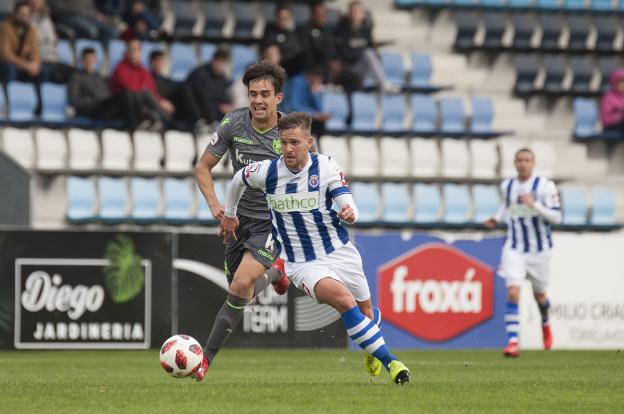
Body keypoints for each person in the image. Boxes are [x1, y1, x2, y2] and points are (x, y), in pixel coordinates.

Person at [220, 112, 411, 385]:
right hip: (302, 263)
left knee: (367, 313)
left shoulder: (326, 166)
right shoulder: (268, 172)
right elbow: (238, 178)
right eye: (284, 142)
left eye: (294, 142)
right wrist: (230, 212)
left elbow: (344, 197)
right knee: (344, 301)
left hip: (340, 251)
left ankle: (370, 347)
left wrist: (350, 212)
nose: (288, 148)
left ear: (309, 142)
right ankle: (392, 362)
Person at [193, 61, 291, 381]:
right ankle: (277, 273)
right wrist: (216, 207)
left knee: (239, 285)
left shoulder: (291, 131)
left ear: (278, 97)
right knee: (241, 293)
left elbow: (309, 176)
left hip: (272, 224)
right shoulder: (233, 123)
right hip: (236, 221)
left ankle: (204, 360)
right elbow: (202, 168)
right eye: (253, 94)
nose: (258, 100)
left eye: (265, 94)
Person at [484, 148, 562, 358]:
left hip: (539, 252)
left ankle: (545, 322)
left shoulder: (545, 186)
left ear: (533, 163)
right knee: (513, 292)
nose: (523, 164)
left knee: (540, 297)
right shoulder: (507, 185)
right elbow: (506, 207)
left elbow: (556, 217)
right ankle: (512, 342)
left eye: (527, 160)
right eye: (519, 160)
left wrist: (534, 204)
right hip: (515, 248)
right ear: (514, 163)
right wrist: (496, 218)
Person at [334, 1, 398, 92]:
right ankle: (383, 84)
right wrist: (360, 52)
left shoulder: (366, 30)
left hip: (364, 68)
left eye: (357, 12)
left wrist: (363, 51)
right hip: (350, 68)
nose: (355, 14)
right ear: (349, 13)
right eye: (353, 12)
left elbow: (371, 48)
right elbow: (344, 54)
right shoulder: (342, 30)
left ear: (362, 14)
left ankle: (383, 84)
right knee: (367, 53)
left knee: (370, 53)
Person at [110, 38, 174, 129]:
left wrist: (161, 101)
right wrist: (158, 102)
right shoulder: (120, 68)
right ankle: (169, 122)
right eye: (132, 49)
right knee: (145, 95)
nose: (134, 53)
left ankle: (160, 122)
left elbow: (152, 91)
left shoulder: (143, 71)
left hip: (143, 106)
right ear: (126, 52)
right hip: (125, 108)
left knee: (153, 105)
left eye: (138, 50)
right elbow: (129, 89)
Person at [185, 49, 234, 131]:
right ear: (213, 61)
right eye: (219, 62)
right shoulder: (199, 74)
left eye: (223, 63)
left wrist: (227, 106)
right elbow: (201, 99)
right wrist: (218, 108)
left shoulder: (222, 78)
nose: (220, 65)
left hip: (215, 114)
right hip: (197, 115)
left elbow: (222, 99)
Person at [0, 1, 47, 84]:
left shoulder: (31, 30)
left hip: (22, 65)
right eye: (21, 14)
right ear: (14, 14)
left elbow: (34, 51)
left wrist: (35, 63)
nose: (23, 17)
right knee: (10, 69)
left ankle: (35, 95)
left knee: (42, 71)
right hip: (6, 64)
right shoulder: (5, 28)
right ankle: (9, 94)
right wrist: (26, 65)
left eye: (26, 15)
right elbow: (5, 54)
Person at [28, 0, 72, 83]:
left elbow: (52, 40)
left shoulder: (46, 18)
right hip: (39, 58)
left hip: (52, 58)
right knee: (45, 72)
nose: (35, 2)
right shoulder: (27, 18)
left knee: (72, 72)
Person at [298, 2, 342, 84]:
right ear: (312, 15)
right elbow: (307, 51)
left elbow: (333, 49)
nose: (322, 17)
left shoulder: (328, 30)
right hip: (314, 68)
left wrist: (336, 61)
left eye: (323, 15)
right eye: (319, 15)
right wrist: (329, 62)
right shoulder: (304, 30)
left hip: (330, 67)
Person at [282, 67, 331, 136]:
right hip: (290, 114)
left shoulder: (314, 85)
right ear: (310, 76)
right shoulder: (296, 82)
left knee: (321, 123)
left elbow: (320, 109)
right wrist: (314, 114)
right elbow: (293, 106)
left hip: (307, 116)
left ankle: (317, 143)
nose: (318, 82)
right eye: (317, 79)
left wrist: (315, 95)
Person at [48, 0, 117, 44]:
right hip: (67, 17)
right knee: (91, 30)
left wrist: (97, 15)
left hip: (87, 17)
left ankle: (97, 56)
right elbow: (55, 8)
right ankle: (85, 57)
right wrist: (76, 11)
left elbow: (90, 8)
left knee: (111, 31)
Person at [261, 5, 304, 76]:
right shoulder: (270, 32)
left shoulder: (294, 34)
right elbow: (268, 52)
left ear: (290, 18)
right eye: (280, 18)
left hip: (292, 71)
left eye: (285, 18)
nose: (282, 21)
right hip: (275, 71)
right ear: (276, 17)